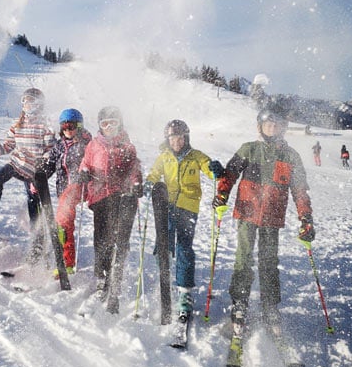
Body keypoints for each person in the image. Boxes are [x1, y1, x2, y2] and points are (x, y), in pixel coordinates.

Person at [212, 105, 315, 336]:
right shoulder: (249, 149)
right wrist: (221, 194)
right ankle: (239, 303)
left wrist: (305, 217)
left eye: (276, 124)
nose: (272, 128)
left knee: (269, 261)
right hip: (247, 212)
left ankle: (270, 306)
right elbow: (230, 174)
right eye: (268, 124)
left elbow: (300, 191)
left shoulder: (291, 156)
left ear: (282, 128)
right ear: (260, 127)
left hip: (272, 216)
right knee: (243, 258)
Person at [145, 119, 224, 318]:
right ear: (168, 139)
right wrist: (147, 185)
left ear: (186, 137)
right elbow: (154, 174)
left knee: (184, 248)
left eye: (180, 137)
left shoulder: (195, 156)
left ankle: (185, 292)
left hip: (188, 208)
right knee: (163, 245)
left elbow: (207, 166)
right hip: (167, 207)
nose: (177, 142)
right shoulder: (164, 157)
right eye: (172, 138)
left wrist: (214, 169)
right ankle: (165, 281)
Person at [0, 88, 54, 257]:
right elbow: (8, 145)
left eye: (31, 101)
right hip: (17, 163)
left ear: (39, 104)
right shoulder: (18, 124)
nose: (27, 105)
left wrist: (44, 162)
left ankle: (38, 240)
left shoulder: (45, 125)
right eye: (25, 101)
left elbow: (50, 149)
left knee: (33, 201)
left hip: (34, 170)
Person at [77, 106, 143, 314]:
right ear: (100, 126)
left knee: (119, 238)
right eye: (105, 124)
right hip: (99, 196)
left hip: (121, 196)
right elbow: (85, 163)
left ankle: (117, 274)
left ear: (119, 124)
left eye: (112, 123)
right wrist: (84, 173)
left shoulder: (127, 146)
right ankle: (101, 275)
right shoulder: (94, 145)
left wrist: (136, 183)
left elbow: (134, 169)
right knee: (101, 238)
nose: (109, 128)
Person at [44, 108, 92, 276]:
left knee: (62, 222)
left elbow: (93, 163)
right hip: (64, 189)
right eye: (64, 127)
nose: (68, 130)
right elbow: (50, 164)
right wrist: (39, 177)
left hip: (80, 187)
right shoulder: (59, 145)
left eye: (71, 126)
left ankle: (67, 262)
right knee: (64, 225)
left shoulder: (87, 144)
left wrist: (86, 172)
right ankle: (65, 260)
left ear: (79, 126)